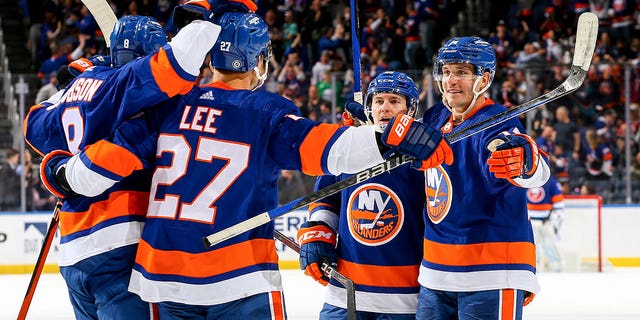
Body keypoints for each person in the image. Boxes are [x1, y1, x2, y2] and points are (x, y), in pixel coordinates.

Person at [38, 11, 450, 320]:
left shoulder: (167, 108)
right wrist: (387, 137)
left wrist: (58, 171)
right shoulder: (265, 111)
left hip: (162, 278)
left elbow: (97, 169)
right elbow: (325, 149)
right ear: (258, 62)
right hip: (239, 277)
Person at [23, 14, 221, 319]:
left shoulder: (84, 84)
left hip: (74, 251)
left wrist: (69, 90)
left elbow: (32, 125)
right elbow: (173, 70)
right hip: (122, 242)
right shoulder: (129, 87)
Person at [416, 36, 551, 320]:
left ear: (484, 78)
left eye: (463, 72)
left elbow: (534, 170)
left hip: (490, 272)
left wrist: (525, 161)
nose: (451, 80)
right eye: (447, 72)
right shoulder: (435, 117)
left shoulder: (498, 120)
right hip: (435, 273)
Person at [299, 71, 433, 319]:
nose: (385, 108)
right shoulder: (350, 146)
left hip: (406, 298)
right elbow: (326, 197)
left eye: (394, 101)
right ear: (368, 108)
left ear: (411, 109)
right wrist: (318, 233)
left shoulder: (425, 155)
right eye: (378, 101)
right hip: (345, 291)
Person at [526, 173, 565, 272]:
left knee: (549, 246)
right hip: (530, 222)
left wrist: (557, 220)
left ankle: (555, 269)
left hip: (546, 222)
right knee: (533, 249)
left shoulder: (550, 180)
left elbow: (559, 203)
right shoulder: (524, 179)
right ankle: (534, 270)